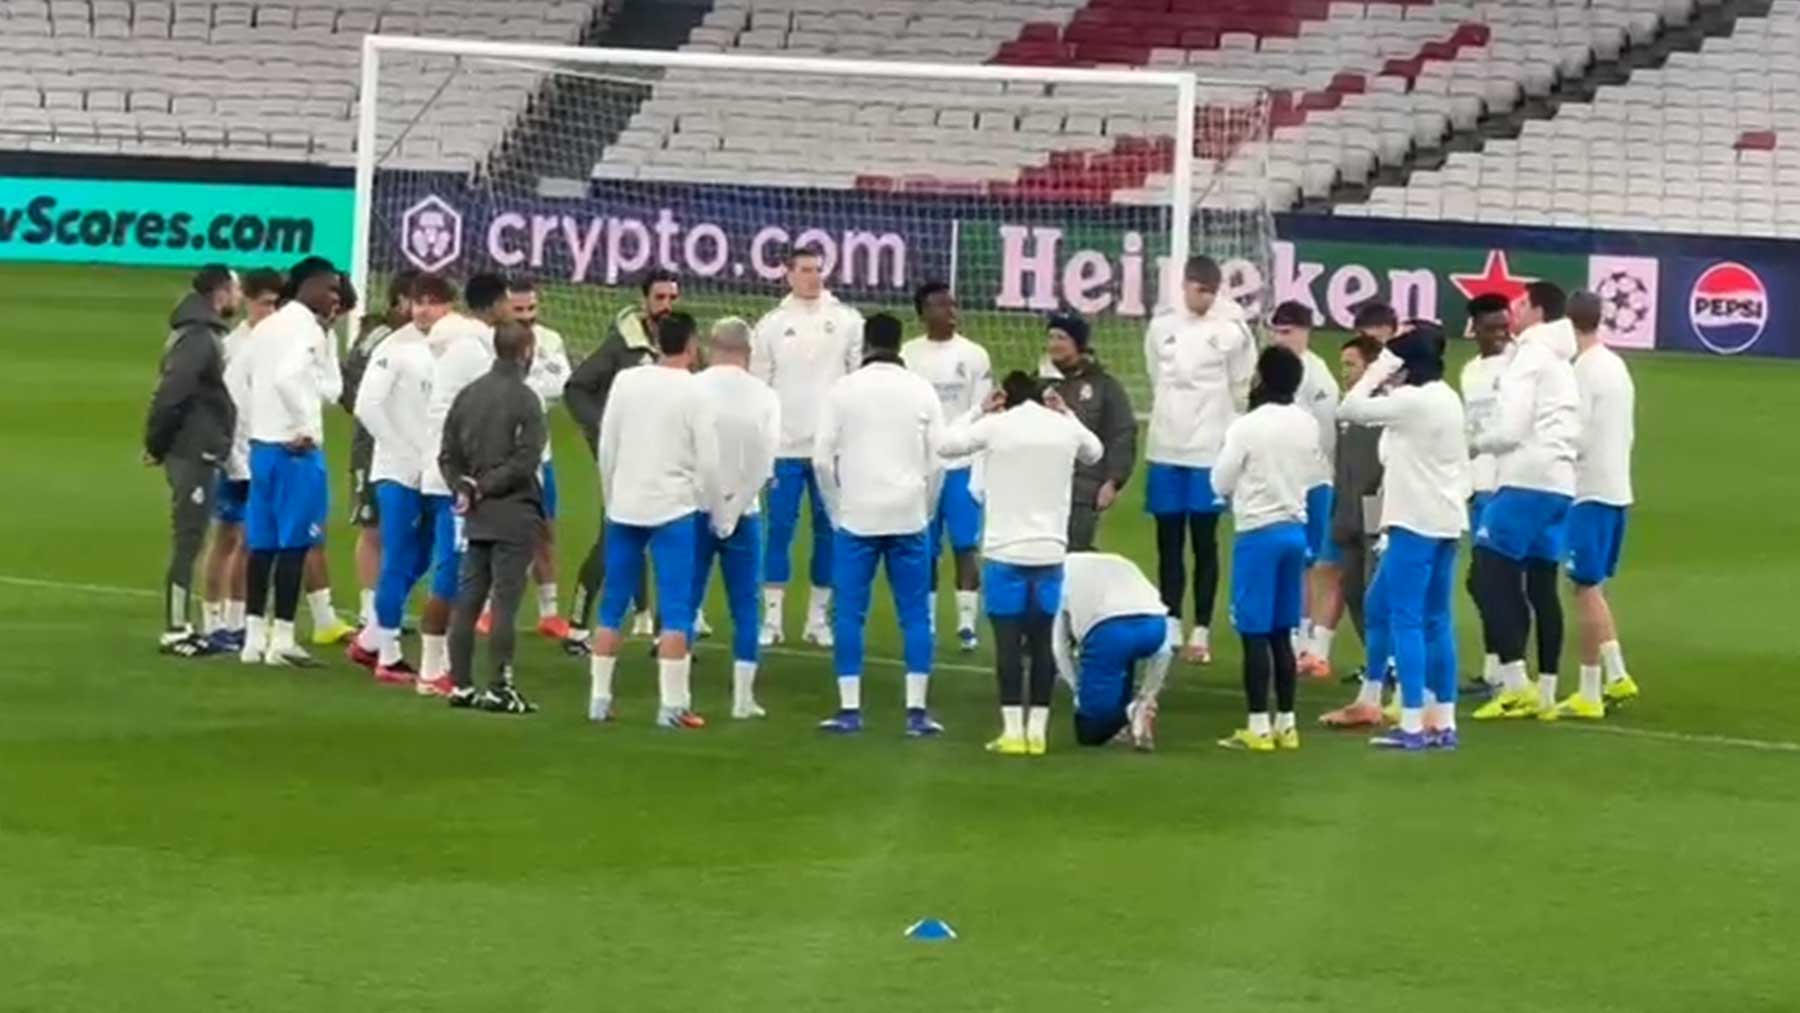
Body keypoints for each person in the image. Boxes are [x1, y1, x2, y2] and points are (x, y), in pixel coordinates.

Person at [939, 371, 1103, 757]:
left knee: (1009, 643)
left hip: (1005, 552)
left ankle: (1013, 731)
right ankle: (1039, 731)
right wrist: (1067, 414)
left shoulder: (997, 426)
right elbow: (1095, 452)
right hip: (1049, 550)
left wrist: (979, 409)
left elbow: (945, 445)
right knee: (1044, 641)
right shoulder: (1062, 428)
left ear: (1004, 398)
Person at [1326, 324, 1471, 751]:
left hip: (1414, 523)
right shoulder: (1447, 397)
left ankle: (1410, 723)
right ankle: (1442, 719)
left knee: (1406, 619)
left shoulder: (1409, 402)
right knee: (1427, 616)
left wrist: (1378, 368)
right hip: (1445, 520)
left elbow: (1349, 408)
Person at [812, 313, 945, 737]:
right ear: (899, 344)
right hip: (908, 514)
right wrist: (925, 507)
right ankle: (916, 712)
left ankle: (850, 709)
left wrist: (836, 509)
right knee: (915, 615)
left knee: (850, 613)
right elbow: (938, 458)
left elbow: (819, 460)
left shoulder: (843, 390)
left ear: (866, 345)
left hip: (858, 516)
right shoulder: (921, 390)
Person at [588, 312, 721, 729]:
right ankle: (672, 704)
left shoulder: (628, 380)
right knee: (677, 607)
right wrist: (711, 504)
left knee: (612, 605)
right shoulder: (696, 391)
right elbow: (710, 459)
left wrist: (611, 494)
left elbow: (608, 443)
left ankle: (599, 699)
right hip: (673, 508)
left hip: (625, 504)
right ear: (692, 345)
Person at [1471, 281, 1581, 720]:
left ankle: (1515, 682)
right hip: (1559, 482)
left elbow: (1512, 429)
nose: (1512, 310)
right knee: (1539, 582)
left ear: (1536, 310)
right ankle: (1547, 688)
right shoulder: (1560, 358)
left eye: (1519, 302)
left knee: (1486, 573)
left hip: (1526, 478)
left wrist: (1475, 442)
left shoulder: (1529, 358)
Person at [1142, 254, 1254, 664]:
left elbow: (1242, 381)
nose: (1204, 298)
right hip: (1166, 447)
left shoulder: (1232, 330)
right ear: (1186, 285)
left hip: (1209, 449)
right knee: (1167, 541)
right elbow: (1156, 373)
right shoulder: (1162, 325)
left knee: (1204, 542)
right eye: (1198, 290)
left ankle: (1202, 628)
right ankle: (1170, 620)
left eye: (1211, 292)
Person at [752, 245, 864, 648]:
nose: (813, 277)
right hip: (783, 447)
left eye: (818, 269)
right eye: (805, 270)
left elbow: (857, 380)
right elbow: (759, 386)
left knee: (828, 533)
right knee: (779, 530)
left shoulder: (847, 320)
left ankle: (818, 619)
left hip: (830, 449)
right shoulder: (770, 325)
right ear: (788, 274)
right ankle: (773, 620)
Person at [1211, 347, 1319, 753]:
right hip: (1295, 530)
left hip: (1258, 533)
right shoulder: (1306, 424)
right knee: (1281, 632)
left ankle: (1257, 725)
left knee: (1254, 632)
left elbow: (1220, 481)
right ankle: (1287, 724)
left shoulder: (1247, 426)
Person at [562, 269, 676, 650]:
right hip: (626, 455)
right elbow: (577, 387)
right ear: (645, 300)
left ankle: (656, 624)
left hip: (667, 455)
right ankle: (577, 624)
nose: (667, 306)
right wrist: (602, 430)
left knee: (664, 532)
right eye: (660, 298)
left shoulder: (680, 344)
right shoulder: (621, 345)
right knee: (615, 533)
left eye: (672, 298)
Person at [238, 256, 342, 667]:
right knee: (296, 544)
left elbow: (239, 381)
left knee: (261, 545)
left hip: (261, 447)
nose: (334, 297)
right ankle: (282, 639)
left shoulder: (266, 327)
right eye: (330, 288)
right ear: (310, 286)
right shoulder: (306, 329)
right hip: (295, 453)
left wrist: (255, 426)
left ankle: (252, 639)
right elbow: (286, 377)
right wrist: (304, 426)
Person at [441, 320, 548, 714]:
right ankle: (499, 688)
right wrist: (483, 487)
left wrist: (464, 488)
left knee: (468, 597)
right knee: (505, 601)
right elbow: (526, 460)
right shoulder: (525, 399)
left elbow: (447, 454)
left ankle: (461, 685)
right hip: (513, 512)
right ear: (526, 351)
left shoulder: (468, 396)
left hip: (476, 514)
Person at [345, 273, 441, 692]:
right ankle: (388, 655)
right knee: (401, 556)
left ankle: (370, 640)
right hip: (398, 472)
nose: (423, 310)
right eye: (419, 302)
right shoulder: (395, 346)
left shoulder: (451, 347)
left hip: (434, 472)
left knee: (422, 557)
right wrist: (401, 449)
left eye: (432, 303)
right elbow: (367, 404)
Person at [415, 274, 508, 685]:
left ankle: (442, 665)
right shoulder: (471, 350)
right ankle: (432, 668)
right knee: (453, 573)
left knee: (457, 570)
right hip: (457, 478)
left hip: (447, 474)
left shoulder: (457, 345)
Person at [144, 264, 240, 656]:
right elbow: (172, 393)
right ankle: (176, 628)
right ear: (220, 292)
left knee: (193, 537)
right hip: (191, 450)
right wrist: (156, 443)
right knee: (188, 538)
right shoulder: (199, 337)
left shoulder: (200, 332)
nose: (237, 298)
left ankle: (183, 623)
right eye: (234, 290)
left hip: (198, 448)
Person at [691, 317, 781, 719]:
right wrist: (733, 508)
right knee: (745, 605)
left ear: (711, 346)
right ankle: (743, 699)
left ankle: (675, 694)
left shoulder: (693, 389)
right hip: (744, 511)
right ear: (749, 351)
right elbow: (765, 463)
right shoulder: (764, 396)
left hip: (695, 508)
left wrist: (713, 504)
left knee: (684, 600)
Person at [1556, 290, 1640, 717]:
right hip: (1617, 487)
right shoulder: (1616, 365)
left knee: (1584, 587)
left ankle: (1607, 678)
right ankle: (1600, 681)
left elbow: (1578, 433)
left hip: (1588, 489)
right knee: (1591, 587)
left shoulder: (1582, 372)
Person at [476, 276, 573, 641]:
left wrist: (527, 383)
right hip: (497, 455)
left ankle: (549, 612)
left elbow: (560, 383)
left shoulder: (551, 340)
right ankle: (485, 610)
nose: (527, 317)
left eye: (532, 309)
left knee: (545, 531)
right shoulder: (486, 341)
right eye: (519, 310)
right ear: (504, 309)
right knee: (492, 534)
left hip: (539, 456)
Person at [900, 281, 992, 650]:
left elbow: (983, 411)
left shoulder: (974, 355)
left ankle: (967, 623)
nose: (951, 312)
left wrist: (979, 464)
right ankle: (928, 620)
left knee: (966, 545)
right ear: (923, 313)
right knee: (925, 546)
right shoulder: (909, 355)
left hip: (963, 464)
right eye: (941, 306)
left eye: (954, 305)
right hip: (921, 466)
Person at [203, 267, 284, 651]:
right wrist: (233, 457)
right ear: (249, 301)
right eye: (264, 302)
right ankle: (212, 618)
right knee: (227, 537)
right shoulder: (233, 346)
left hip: (268, 454)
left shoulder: (282, 343)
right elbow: (228, 408)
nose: (270, 310)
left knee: (254, 541)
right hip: (237, 455)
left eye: (276, 303)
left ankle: (238, 620)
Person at [341, 269, 418, 632]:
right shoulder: (382, 336)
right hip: (371, 446)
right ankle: (369, 611)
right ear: (401, 300)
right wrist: (371, 411)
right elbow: (348, 379)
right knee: (374, 528)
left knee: (400, 529)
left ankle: (389, 608)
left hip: (408, 445)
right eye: (418, 300)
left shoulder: (417, 338)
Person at [1268, 301, 1341, 677]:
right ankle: (1293, 638)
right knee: (1287, 559)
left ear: (1306, 332)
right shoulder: (1269, 370)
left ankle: (1308, 642)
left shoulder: (1319, 378)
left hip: (1313, 481)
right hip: (1279, 481)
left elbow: (1327, 438)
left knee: (1309, 561)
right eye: (1276, 331)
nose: (1281, 338)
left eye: (1288, 332)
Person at [1051, 552, 1171, 751]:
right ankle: (1133, 717)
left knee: (1089, 732)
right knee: (1124, 660)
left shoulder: (1055, 578)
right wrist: (1148, 694)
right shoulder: (1120, 562)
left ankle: (1130, 713)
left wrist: (1077, 689)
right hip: (1155, 627)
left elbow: (1058, 647)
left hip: (1110, 632)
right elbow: (1164, 651)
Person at [1040, 312, 1136, 552]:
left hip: (1083, 492)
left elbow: (1122, 434)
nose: (1054, 344)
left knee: (1075, 560)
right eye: (1051, 337)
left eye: (1061, 337)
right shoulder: (1037, 384)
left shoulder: (1104, 386)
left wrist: (1114, 481)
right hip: (1040, 489)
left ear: (1078, 343)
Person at [1458, 292, 1515, 696]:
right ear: (1474, 328)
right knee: (1485, 581)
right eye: (1492, 328)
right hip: (1479, 487)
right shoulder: (1470, 372)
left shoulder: (1518, 367)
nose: (1500, 335)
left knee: (1489, 580)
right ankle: (1496, 667)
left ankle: (1510, 670)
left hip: (1509, 485)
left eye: (1504, 326)